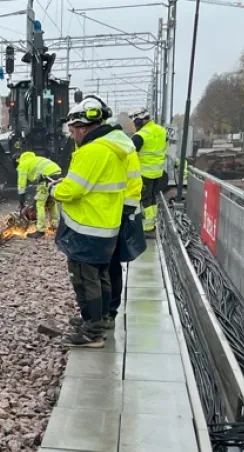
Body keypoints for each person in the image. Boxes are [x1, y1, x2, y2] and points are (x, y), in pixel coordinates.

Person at [50, 96, 128, 348]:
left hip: (87, 228)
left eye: (73, 130)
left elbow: (73, 190)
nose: (72, 135)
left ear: (83, 128)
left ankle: (92, 332)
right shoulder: (111, 149)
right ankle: (100, 320)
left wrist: (54, 189)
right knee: (101, 277)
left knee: (86, 280)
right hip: (105, 225)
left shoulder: (91, 151)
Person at [104, 116, 146, 320]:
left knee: (109, 262)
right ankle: (110, 308)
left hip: (116, 210)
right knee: (113, 262)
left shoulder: (113, 149)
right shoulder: (127, 146)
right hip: (126, 208)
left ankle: (109, 309)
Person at [129, 108, 167, 236]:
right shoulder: (162, 130)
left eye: (135, 122)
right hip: (158, 172)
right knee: (152, 198)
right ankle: (151, 223)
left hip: (144, 173)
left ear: (139, 121)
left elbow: (128, 154)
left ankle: (148, 227)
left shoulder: (140, 136)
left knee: (145, 200)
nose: (135, 125)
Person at [16, 151, 62, 238]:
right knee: (51, 202)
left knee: (40, 204)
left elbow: (22, 184)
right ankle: (55, 226)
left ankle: (40, 230)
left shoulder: (23, 164)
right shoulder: (35, 160)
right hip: (57, 175)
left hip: (47, 178)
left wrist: (21, 199)